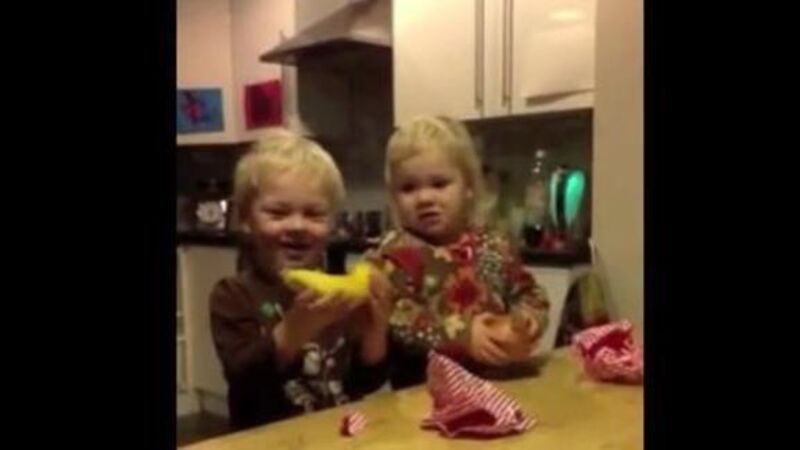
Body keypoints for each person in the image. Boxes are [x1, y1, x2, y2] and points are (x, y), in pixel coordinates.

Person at [209, 128, 390, 430]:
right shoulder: (233, 295)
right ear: (245, 218)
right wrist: (294, 330)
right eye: (278, 213)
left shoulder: (338, 294)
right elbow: (245, 382)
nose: (297, 225)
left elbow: (364, 382)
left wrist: (376, 330)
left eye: (314, 214)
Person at [366, 116, 550, 389]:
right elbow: (397, 318)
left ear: (469, 188)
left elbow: (529, 294)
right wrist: (462, 335)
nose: (425, 198)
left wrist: (528, 320)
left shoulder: (495, 246)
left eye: (439, 184)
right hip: (425, 396)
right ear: (394, 197)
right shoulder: (393, 255)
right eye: (408, 188)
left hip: (503, 386)